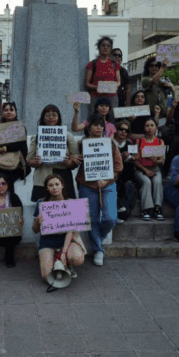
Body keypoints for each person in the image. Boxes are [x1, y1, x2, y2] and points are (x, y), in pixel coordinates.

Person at [75, 114, 123, 266]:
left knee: (110, 218)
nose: (98, 128)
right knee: (92, 219)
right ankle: (98, 250)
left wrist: (107, 179)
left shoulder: (110, 143)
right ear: (89, 127)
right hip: (87, 185)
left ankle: (98, 238)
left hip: (107, 184)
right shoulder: (81, 143)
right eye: (95, 125)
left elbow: (118, 166)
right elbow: (72, 160)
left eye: (101, 125)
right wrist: (75, 158)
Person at [32, 174, 86, 283]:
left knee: (77, 258)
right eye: (51, 185)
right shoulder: (41, 203)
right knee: (47, 277)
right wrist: (38, 222)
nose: (54, 187)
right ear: (47, 188)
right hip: (47, 242)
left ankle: (67, 264)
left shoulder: (70, 203)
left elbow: (70, 231)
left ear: (62, 186)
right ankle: (56, 261)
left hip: (68, 241)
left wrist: (64, 252)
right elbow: (35, 230)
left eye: (57, 184)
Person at [27, 105, 80, 202]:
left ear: (59, 117)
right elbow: (29, 160)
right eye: (48, 115)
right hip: (42, 178)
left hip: (63, 177)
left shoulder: (68, 136)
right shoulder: (37, 136)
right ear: (43, 118)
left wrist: (67, 162)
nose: (51, 117)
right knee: (44, 212)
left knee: (67, 211)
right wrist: (36, 162)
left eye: (54, 115)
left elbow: (75, 161)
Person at [0, 102, 29, 188]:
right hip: (0, 162)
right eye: (6, 110)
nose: (9, 112)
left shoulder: (20, 128)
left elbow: (19, 145)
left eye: (11, 110)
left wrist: (5, 148)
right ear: (3, 113)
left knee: (6, 181)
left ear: (15, 113)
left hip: (17, 163)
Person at [133, 119, 166, 221]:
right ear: (144, 128)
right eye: (147, 125)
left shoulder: (160, 141)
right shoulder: (138, 141)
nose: (150, 128)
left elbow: (162, 160)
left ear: (156, 127)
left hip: (155, 169)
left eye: (152, 125)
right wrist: (145, 170)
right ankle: (146, 209)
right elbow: (134, 160)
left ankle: (158, 208)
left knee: (157, 182)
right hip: (141, 169)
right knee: (146, 182)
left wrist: (157, 161)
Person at [112, 120, 138, 221]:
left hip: (127, 174)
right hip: (114, 175)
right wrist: (120, 158)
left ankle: (124, 210)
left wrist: (133, 158)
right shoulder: (111, 143)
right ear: (116, 130)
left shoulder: (129, 143)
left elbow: (135, 157)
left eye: (126, 130)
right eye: (121, 129)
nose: (123, 132)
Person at [85, 36, 121, 107]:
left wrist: (113, 86)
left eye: (108, 46)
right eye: (103, 45)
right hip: (96, 97)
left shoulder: (114, 64)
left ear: (110, 49)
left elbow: (119, 81)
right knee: (95, 117)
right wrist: (99, 87)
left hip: (112, 96)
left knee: (112, 117)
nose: (105, 47)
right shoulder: (92, 64)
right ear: (98, 47)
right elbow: (87, 83)